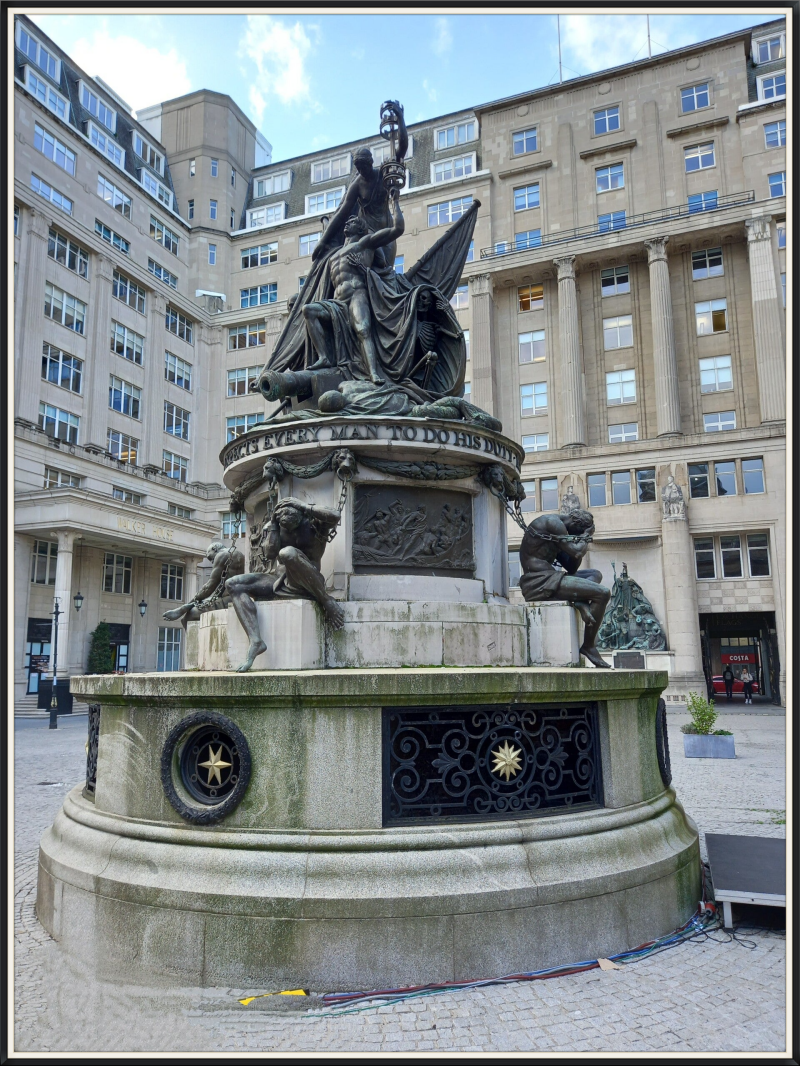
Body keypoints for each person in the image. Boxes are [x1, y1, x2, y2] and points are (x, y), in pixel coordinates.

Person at [223, 497, 345, 672]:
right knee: (233, 584)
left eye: (291, 519)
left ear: (300, 514)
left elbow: (335, 515)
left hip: (308, 582)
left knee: (287, 553)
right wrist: (273, 524)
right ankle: (256, 640)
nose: (287, 525)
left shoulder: (315, 524)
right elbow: (269, 554)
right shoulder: (277, 526)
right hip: (279, 581)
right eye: (283, 521)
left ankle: (326, 600)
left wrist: (303, 506)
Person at [302, 190, 405, 384]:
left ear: (360, 228)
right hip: (337, 302)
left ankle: (373, 373)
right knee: (308, 310)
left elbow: (397, 229)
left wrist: (395, 202)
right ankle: (324, 357)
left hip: (357, 295)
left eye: (352, 221)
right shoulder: (332, 256)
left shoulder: (365, 244)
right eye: (347, 221)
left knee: (363, 329)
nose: (347, 222)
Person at [518, 507, 611, 668]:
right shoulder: (553, 523)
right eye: (576, 533)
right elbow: (576, 552)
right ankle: (589, 646)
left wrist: (578, 541)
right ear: (575, 524)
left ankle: (580, 601)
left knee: (595, 574)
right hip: (538, 581)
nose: (574, 537)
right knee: (603, 593)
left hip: (551, 578)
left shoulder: (560, 531)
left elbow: (572, 567)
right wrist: (586, 536)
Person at [162, 541, 245, 629]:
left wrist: (186, 607)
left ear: (214, 549)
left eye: (210, 558)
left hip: (229, 599)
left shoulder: (222, 555)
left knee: (188, 617)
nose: (212, 562)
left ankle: (185, 612)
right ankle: (184, 608)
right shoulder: (239, 555)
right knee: (198, 606)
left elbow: (209, 587)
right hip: (236, 597)